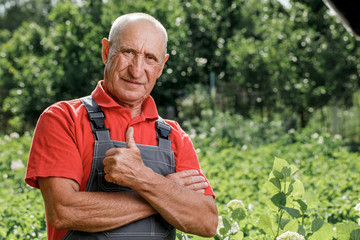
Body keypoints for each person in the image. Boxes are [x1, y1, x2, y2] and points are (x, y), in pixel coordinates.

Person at [25, 12, 218, 240]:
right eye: (128, 52)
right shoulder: (63, 118)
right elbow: (64, 211)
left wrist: (142, 177)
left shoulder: (174, 136)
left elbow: (207, 222)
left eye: (150, 58)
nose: (136, 70)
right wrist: (164, 194)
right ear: (106, 52)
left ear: (161, 66)